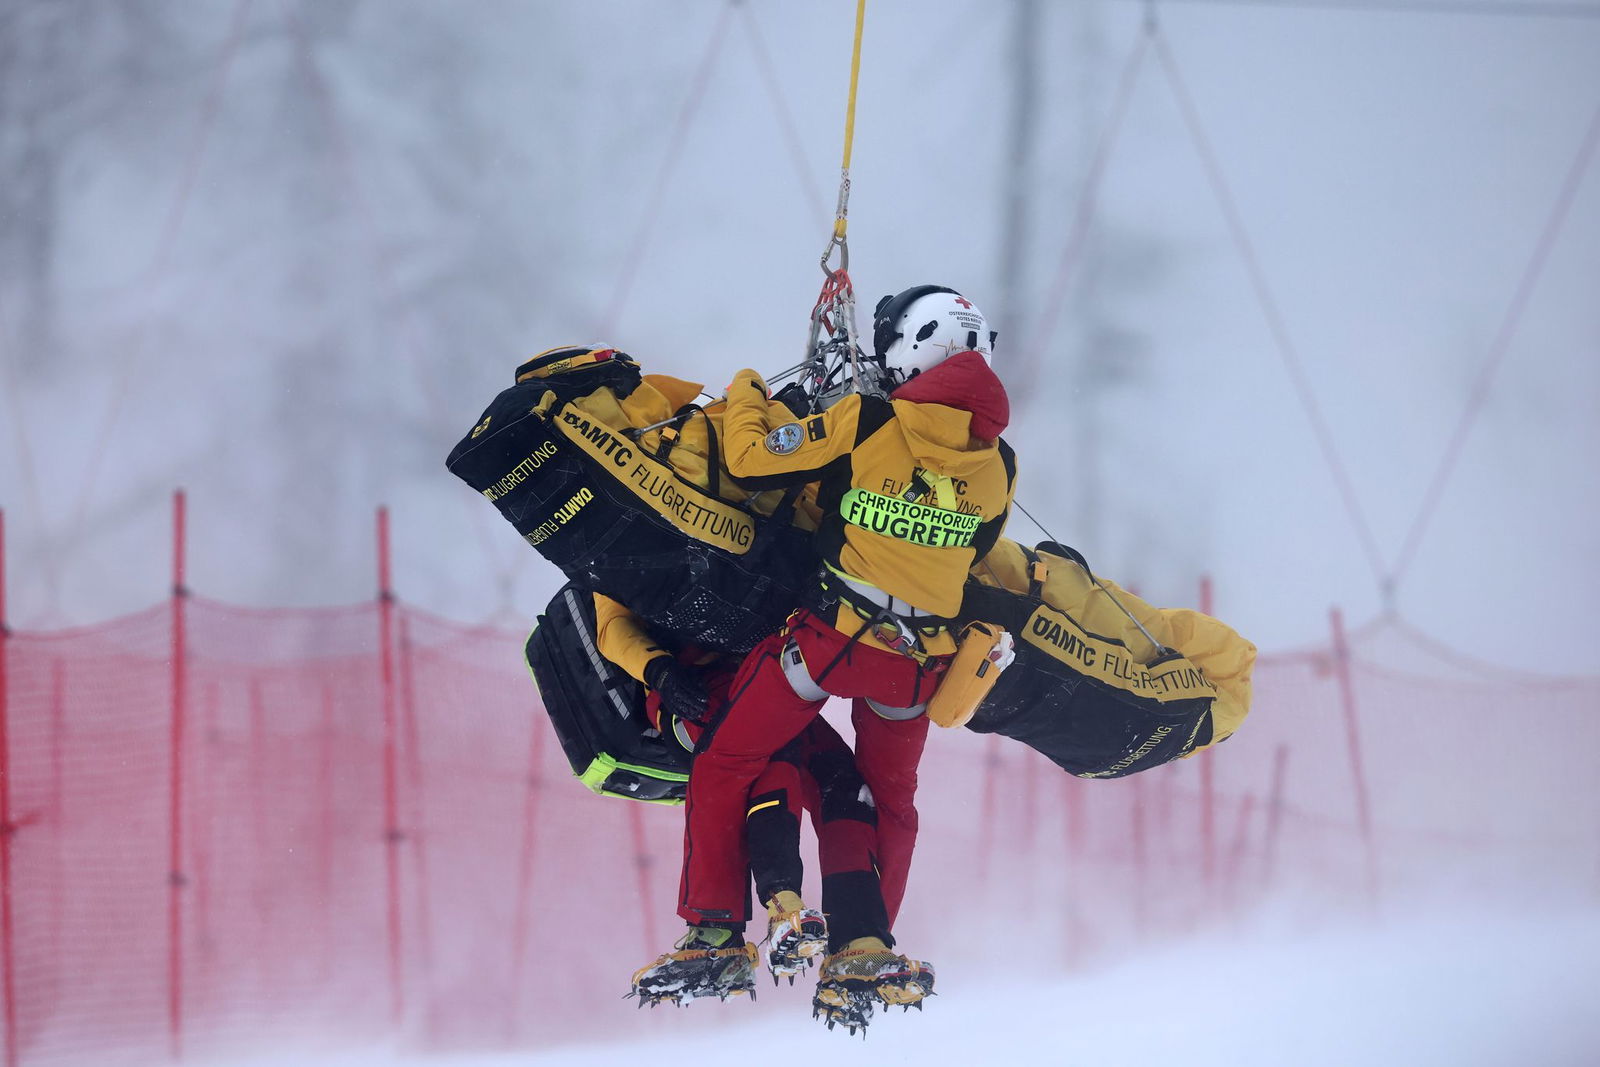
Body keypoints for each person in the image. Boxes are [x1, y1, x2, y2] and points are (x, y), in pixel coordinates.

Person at [632, 285, 1018, 1015]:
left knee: (726, 758)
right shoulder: (1000, 465)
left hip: (831, 641)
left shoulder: (868, 418)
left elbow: (749, 456)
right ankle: (863, 948)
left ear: (907, 350)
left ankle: (714, 936)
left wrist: (748, 386)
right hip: (918, 664)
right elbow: (975, 549)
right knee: (885, 799)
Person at [595, 594, 897, 1031]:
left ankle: (858, 939)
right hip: (696, 692)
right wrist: (659, 671)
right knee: (774, 754)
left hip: (772, 681)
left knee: (843, 786)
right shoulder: (623, 534)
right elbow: (611, 626)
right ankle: (725, 928)